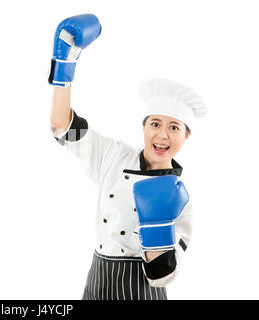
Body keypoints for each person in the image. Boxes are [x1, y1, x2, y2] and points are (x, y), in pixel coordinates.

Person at [48, 14, 207, 300]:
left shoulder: (182, 203)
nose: (162, 135)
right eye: (155, 124)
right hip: (97, 279)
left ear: (186, 136)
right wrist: (65, 66)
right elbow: (63, 126)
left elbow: (162, 276)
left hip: (140, 291)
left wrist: (156, 226)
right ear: (143, 127)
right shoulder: (112, 157)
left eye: (174, 127)